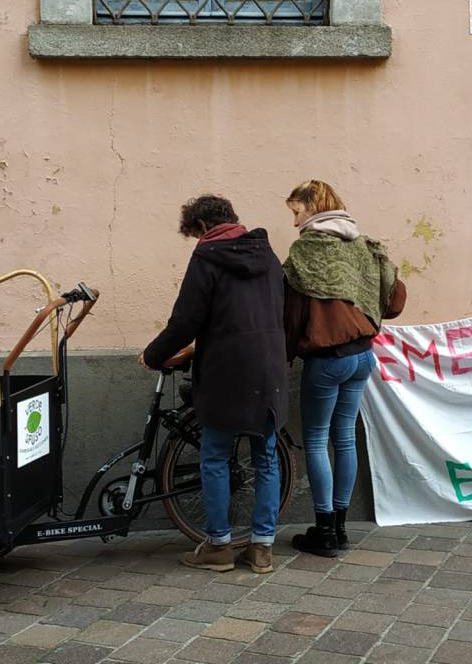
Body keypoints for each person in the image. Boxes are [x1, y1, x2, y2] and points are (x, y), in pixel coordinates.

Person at [141, 195, 288, 574]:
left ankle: (219, 547)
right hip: (268, 370)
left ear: (203, 227)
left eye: (193, 233)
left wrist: (154, 355)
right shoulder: (268, 256)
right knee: (266, 458)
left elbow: (185, 320)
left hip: (226, 373)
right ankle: (262, 549)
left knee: (216, 457)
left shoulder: (207, 258)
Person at [283, 180, 406, 557]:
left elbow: (292, 311)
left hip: (328, 358)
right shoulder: (362, 247)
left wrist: (283, 351)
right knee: (345, 439)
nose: (294, 221)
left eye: (296, 211)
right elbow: (394, 300)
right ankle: (340, 528)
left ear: (312, 207)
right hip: (362, 355)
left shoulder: (308, 249)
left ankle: (323, 531)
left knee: (318, 440)